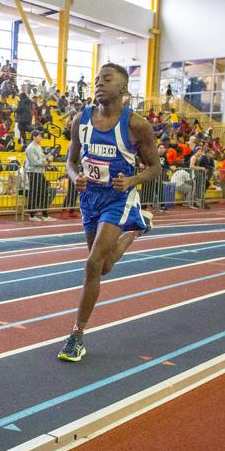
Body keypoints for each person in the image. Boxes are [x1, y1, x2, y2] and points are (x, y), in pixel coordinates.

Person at [59, 63, 161, 363]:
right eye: (97, 79)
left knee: (92, 264)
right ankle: (135, 230)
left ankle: (76, 337)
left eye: (107, 79)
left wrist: (131, 180)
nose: (99, 83)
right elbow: (70, 161)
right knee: (103, 267)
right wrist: (74, 175)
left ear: (124, 89)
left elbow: (156, 168)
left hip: (118, 198)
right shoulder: (81, 120)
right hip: (89, 199)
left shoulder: (137, 125)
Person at [25, 129, 53, 221]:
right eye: (39, 136)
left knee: (44, 193)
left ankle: (45, 215)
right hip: (33, 172)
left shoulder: (38, 147)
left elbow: (41, 158)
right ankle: (32, 215)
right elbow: (34, 161)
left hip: (40, 172)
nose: (41, 138)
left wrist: (47, 158)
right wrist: (45, 161)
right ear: (34, 137)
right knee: (34, 193)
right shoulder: (31, 148)